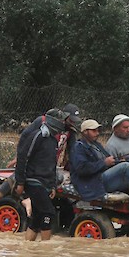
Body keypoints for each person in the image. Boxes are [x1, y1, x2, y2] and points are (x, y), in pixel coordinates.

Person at [0, 104, 82, 224]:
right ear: (64, 117)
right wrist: (19, 157)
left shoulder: (70, 132)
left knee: (58, 178)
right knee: (17, 177)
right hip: (33, 160)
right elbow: (25, 139)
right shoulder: (42, 122)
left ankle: (30, 200)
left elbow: (72, 154)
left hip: (48, 166)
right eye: (71, 119)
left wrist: (76, 173)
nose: (72, 123)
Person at [13, 103, 82, 240]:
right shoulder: (38, 135)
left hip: (46, 180)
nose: (63, 123)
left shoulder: (52, 140)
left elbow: (52, 164)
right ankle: (45, 251)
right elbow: (23, 155)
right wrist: (20, 182)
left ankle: (28, 248)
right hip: (33, 180)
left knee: (37, 217)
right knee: (48, 213)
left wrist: (52, 186)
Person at [70, 118, 129, 219]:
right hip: (94, 183)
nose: (97, 133)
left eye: (98, 130)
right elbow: (82, 169)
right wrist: (104, 163)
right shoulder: (79, 147)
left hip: (102, 178)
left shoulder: (97, 145)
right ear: (85, 132)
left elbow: (107, 164)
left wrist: (116, 163)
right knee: (125, 166)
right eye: (94, 130)